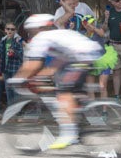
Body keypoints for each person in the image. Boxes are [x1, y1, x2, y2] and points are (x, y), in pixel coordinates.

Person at [9, 13, 104, 149]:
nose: (30, 33)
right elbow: (57, 64)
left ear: (37, 28)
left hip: (82, 56)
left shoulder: (42, 38)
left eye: (30, 30)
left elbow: (32, 66)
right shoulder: (56, 36)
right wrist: (41, 77)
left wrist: (17, 79)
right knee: (68, 90)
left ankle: (68, 134)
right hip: (83, 55)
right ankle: (77, 124)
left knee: (63, 91)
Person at [0, 21, 24, 105]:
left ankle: (17, 108)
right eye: (8, 29)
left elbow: (21, 55)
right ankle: (10, 107)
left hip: (15, 68)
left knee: (15, 89)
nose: (10, 31)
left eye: (12, 29)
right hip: (5, 67)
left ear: (15, 31)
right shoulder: (3, 40)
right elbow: (0, 54)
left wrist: (14, 52)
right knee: (8, 88)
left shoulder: (18, 40)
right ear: (5, 30)